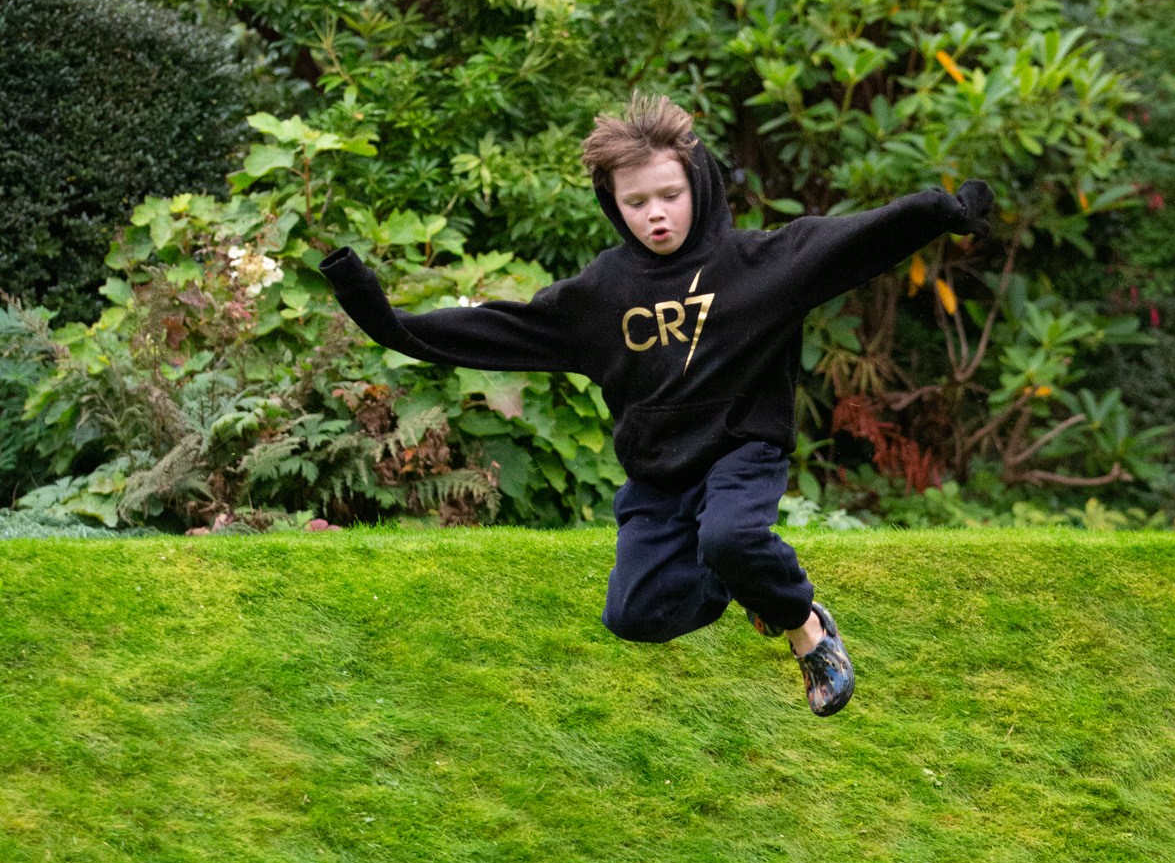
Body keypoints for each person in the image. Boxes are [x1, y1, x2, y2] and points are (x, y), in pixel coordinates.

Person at [320, 95, 992, 717]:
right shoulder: (600, 295)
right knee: (633, 615)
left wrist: (945, 212)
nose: (657, 214)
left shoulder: (759, 264)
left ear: (695, 186)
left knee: (729, 537)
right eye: (636, 201)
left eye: (669, 194)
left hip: (740, 449)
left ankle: (804, 627)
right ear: (613, 204)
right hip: (659, 474)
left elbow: (860, 237)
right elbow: (492, 329)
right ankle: (752, 586)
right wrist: (377, 311)